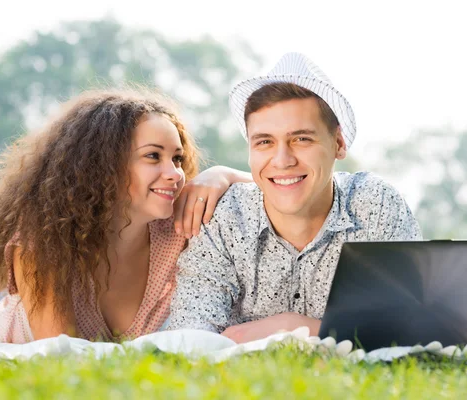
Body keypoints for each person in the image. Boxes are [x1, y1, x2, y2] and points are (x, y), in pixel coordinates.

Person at [164, 52, 423, 343]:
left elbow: (412, 323)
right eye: (264, 142)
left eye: (301, 139)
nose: (282, 160)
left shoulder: (375, 205)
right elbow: (191, 335)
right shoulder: (225, 216)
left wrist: (294, 328)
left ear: (338, 143)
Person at [0, 88, 251, 343]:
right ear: (102, 167)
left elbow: (279, 185)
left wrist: (221, 174)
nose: (175, 174)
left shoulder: (179, 228)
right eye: (153, 156)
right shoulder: (44, 244)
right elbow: (61, 355)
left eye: (177, 158)